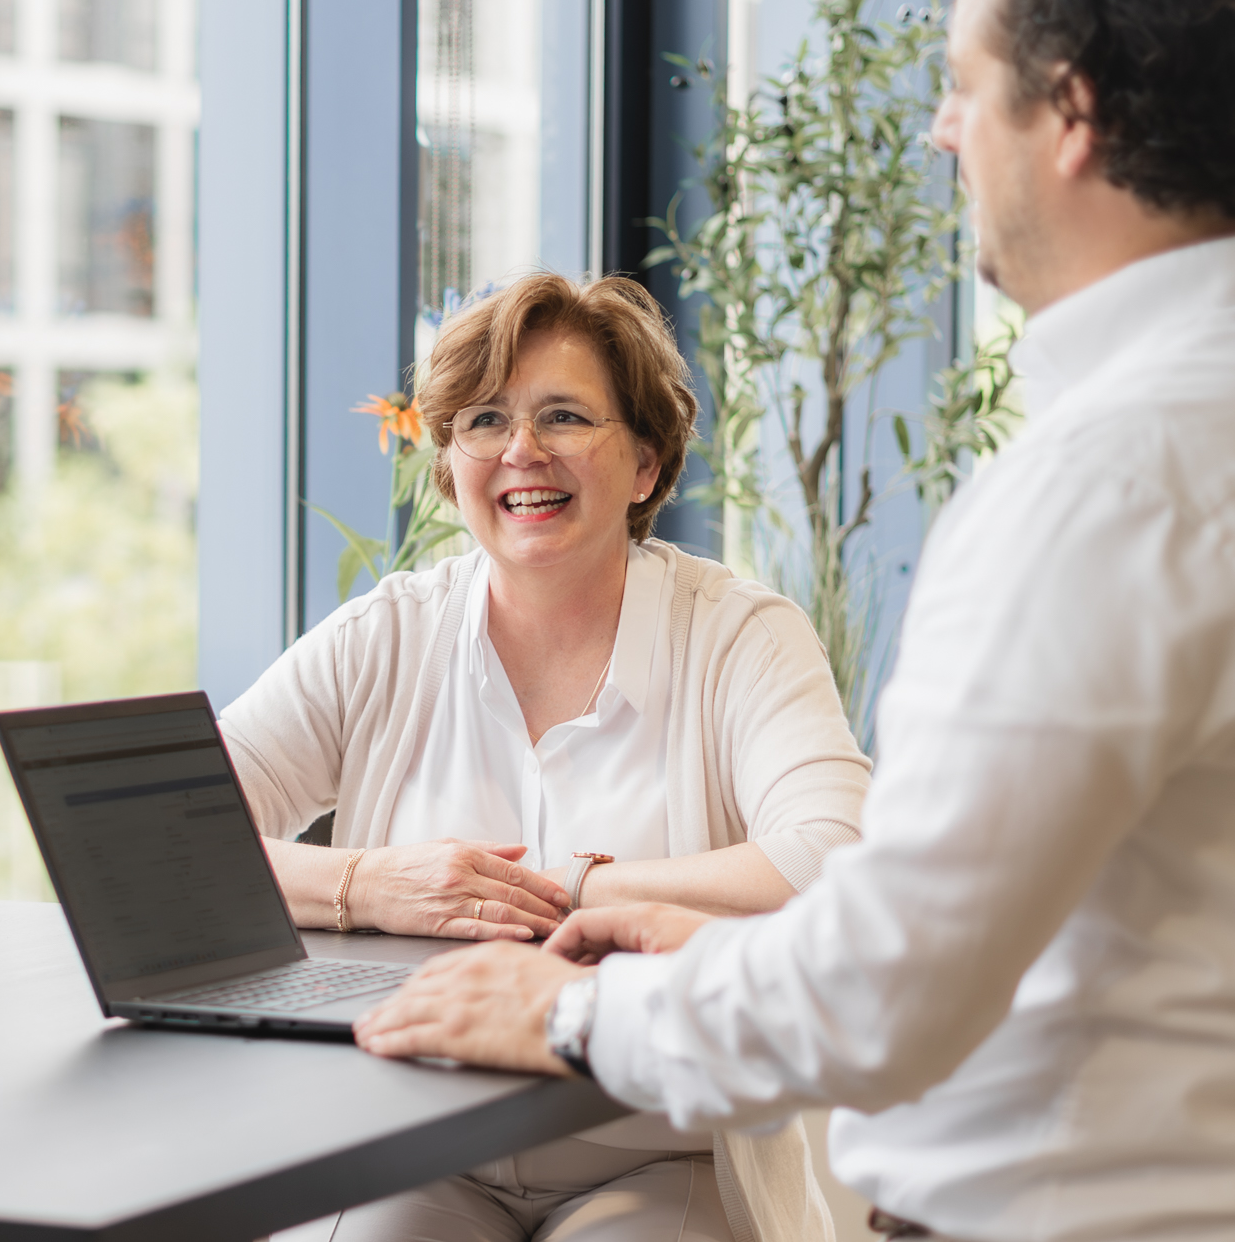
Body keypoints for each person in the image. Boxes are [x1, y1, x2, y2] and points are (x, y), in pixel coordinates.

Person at [353, 0, 1235, 1238]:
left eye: (964, 85)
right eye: (483, 423)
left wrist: (581, 1009)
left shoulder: (1111, 479)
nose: (943, 130)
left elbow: (888, 978)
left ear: (1073, 112)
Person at [220, 272, 870, 1240]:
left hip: (659, 1144)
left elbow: (836, 857)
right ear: (448, 462)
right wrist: (364, 883)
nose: (521, 451)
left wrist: (568, 890)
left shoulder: (738, 635)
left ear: (644, 464)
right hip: (417, 1140)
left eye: (563, 416)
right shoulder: (386, 633)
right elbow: (168, 848)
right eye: (483, 420)